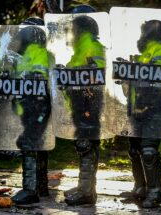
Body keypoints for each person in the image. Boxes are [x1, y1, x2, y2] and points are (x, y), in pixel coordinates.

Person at [123, 20, 161, 208]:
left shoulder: (160, 52)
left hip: (154, 108)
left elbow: (156, 80)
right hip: (138, 108)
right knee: (135, 150)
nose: (141, 35)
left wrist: (134, 71)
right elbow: (135, 85)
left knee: (149, 151)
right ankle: (140, 187)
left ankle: (155, 191)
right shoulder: (144, 55)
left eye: (143, 31)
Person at [63, 7, 105, 206]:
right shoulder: (82, 48)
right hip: (82, 103)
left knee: (86, 144)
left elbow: (96, 75)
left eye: (74, 28)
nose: (72, 32)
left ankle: (87, 191)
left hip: (89, 104)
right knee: (84, 144)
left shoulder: (92, 46)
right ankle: (86, 186)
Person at [11, 19, 52, 204]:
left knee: (29, 145)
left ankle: (30, 189)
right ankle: (41, 186)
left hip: (35, 108)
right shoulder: (29, 53)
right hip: (31, 108)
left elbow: (37, 77)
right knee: (39, 147)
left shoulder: (37, 53)